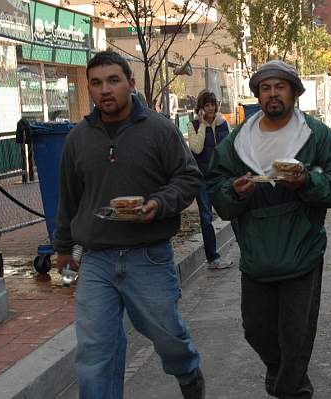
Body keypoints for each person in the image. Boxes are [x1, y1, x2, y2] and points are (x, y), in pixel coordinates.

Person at [53, 51, 205, 399]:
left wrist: (158, 203)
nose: (105, 90)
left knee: (169, 337)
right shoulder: (78, 138)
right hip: (97, 260)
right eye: (96, 83)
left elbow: (187, 178)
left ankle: (188, 372)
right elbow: (69, 198)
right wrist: (63, 247)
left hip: (148, 256)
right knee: (94, 351)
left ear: (130, 84)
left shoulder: (159, 129)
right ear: (89, 88)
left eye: (113, 80)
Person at [207, 60, 331, 398]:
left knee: (296, 333)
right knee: (255, 330)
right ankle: (280, 372)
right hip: (257, 253)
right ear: (258, 96)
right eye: (265, 88)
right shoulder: (238, 141)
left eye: (280, 87)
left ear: (294, 92)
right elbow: (216, 184)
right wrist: (235, 190)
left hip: (301, 249)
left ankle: (292, 389)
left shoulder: (314, 135)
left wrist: (307, 180)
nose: (272, 94)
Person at [187, 90, 232, 269]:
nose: (211, 108)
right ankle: (213, 258)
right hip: (202, 178)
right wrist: (203, 126)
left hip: (221, 176)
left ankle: (247, 251)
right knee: (206, 217)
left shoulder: (223, 124)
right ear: (201, 108)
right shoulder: (193, 125)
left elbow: (228, 148)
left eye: (213, 104)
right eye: (207, 105)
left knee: (232, 213)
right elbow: (196, 149)